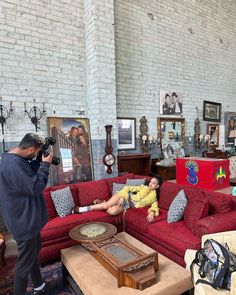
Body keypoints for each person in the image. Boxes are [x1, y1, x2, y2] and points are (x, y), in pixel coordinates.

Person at [0, 133, 56, 295]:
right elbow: (35, 187)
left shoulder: (12, 157)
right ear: (31, 148)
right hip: (24, 221)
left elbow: (26, 175)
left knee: (32, 255)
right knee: (23, 265)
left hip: (25, 219)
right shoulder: (13, 165)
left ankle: (39, 287)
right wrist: (45, 165)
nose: (36, 155)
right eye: (37, 152)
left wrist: (38, 161)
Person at [72, 177, 162, 223]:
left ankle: (103, 202)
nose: (150, 184)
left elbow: (155, 206)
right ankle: (80, 209)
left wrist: (152, 213)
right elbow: (128, 187)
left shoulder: (154, 198)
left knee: (112, 212)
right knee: (106, 206)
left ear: (157, 186)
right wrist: (123, 196)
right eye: (150, 182)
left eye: (153, 183)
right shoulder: (143, 187)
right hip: (124, 196)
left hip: (129, 206)